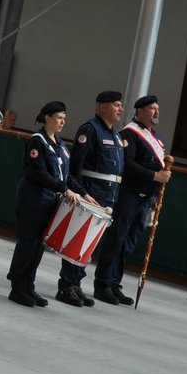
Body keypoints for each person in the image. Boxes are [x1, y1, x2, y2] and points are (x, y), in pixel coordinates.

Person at [92, 94, 171, 305]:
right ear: (140, 111)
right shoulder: (130, 134)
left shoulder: (156, 137)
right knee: (115, 239)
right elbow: (128, 164)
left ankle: (114, 283)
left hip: (146, 198)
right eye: (153, 108)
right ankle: (103, 283)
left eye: (157, 108)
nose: (157, 112)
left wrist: (155, 192)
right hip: (129, 194)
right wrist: (155, 176)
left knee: (128, 242)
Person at [57, 90, 126, 307]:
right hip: (91, 193)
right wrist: (78, 192)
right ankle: (66, 285)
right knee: (78, 241)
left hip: (108, 197)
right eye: (116, 105)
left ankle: (76, 283)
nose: (120, 109)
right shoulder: (90, 129)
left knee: (91, 245)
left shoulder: (115, 134)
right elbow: (76, 164)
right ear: (102, 107)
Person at [7, 101, 76, 307]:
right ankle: (17, 286)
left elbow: (67, 176)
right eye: (59, 118)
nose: (63, 122)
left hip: (51, 199)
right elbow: (38, 172)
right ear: (47, 117)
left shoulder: (60, 145)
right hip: (35, 197)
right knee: (28, 242)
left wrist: (82, 192)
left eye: (64, 119)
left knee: (39, 245)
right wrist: (63, 188)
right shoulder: (38, 141)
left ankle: (29, 285)